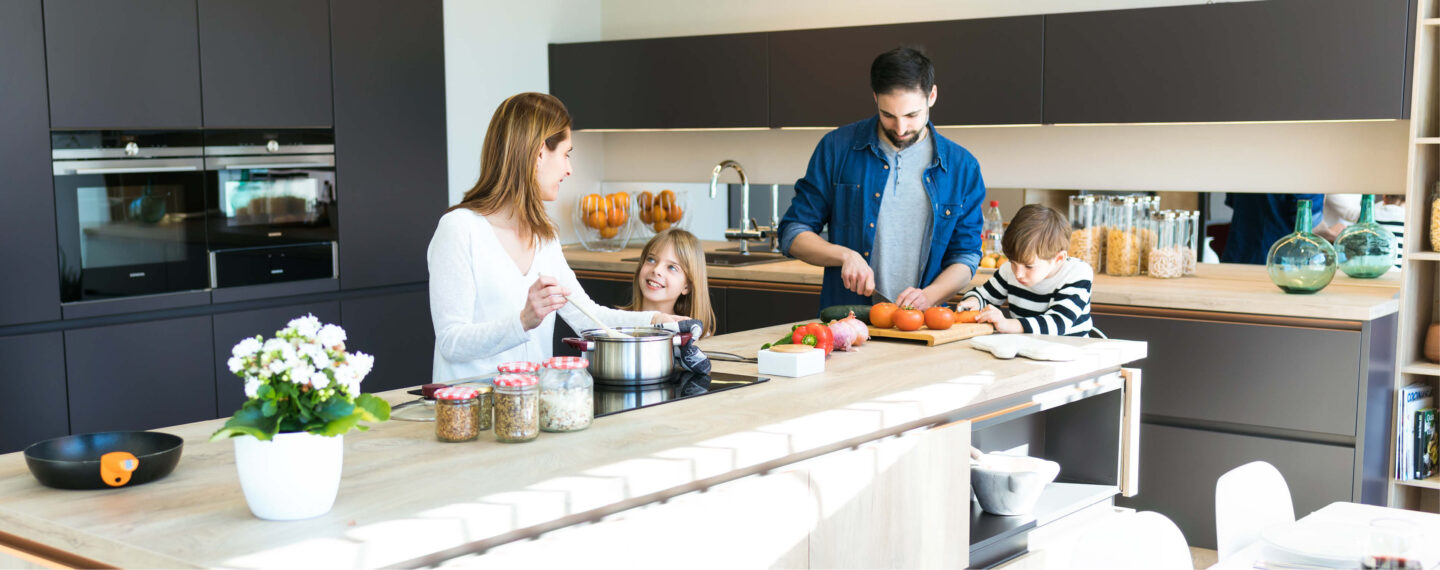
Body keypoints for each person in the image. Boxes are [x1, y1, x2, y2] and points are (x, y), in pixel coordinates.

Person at [427, 92, 682, 382]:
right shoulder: (459, 229)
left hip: (529, 409)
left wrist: (658, 322)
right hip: (471, 412)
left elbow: (589, 317)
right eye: (566, 154)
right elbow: (452, 342)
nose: (569, 169)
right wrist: (523, 320)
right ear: (538, 153)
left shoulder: (544, 235)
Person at [778, 46, 985, 310]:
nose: (900, 129)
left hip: (924, 324)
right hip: (849, 321)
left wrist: (929, 296)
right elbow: (792, 232)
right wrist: (844, 255)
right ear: (875, 98)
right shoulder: (836, 148)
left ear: (931, 96)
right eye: (888, 115)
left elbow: (966, 256)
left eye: (911, 115)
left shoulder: (962, 167)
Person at [957, 204, 1094, 336]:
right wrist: (973, 302)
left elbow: (1057, 324)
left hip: (1071, 353)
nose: (1018, 273)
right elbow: (984, 296)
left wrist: (1007, 324)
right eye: (1012, 262)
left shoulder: (1077, 274)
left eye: (1029, 266)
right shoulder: (1009, 271)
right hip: (1026, 350)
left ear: (1058, 259)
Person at [620, 229, 717, 337]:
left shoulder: (691, 334)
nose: (657, 270)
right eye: (651, 260)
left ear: (687, 286)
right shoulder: (617, 322)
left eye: (672, 267)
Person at [1220, 193, 1325, 265]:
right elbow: (1307, 224)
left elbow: (1232, 201)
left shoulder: (1243, 164)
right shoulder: (1306, 169)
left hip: (1237, 254)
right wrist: (1333, 232)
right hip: (1281, 262)